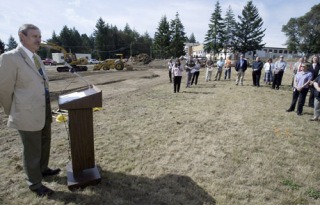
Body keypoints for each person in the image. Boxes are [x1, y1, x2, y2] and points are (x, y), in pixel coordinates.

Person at [0, 24, 60, 197]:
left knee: (45, 141)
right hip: (26, 112)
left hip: (43, 108)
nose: (39, 40)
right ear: (22, 36)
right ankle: (34, 183)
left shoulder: (36, 57)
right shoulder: (9, 58)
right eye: (34, 36)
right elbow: (4, 89)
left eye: (40, 36)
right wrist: (13, 111)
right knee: (32, 149)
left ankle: (42, 168)